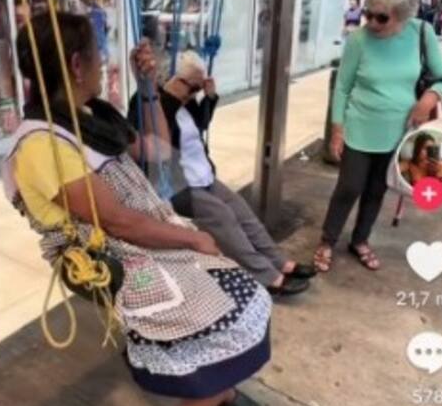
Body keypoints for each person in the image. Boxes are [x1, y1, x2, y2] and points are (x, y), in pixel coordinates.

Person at [2, 12, 271, 406]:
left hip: (143, 236)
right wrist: (192, 242)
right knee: (238, 306)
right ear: (78, 62)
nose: (106, 62)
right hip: (110, 257)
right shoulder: (42, 144)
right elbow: (120, 223)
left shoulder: (90, 115)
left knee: (232, 291)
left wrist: (150, 86)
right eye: (100, 53)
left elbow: (156, 148)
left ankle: (215, 383)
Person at [128, 51, 315, 297]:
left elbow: (201, 125)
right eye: (191, 87)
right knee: (224, 218)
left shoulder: (186, 101)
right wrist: (172, 98)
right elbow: (158, 144)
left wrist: (210, 96)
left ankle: (279, 261)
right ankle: (266, 276)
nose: (192, 93)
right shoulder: (149, 101)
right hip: (176, 186)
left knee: (242, 211)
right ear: (172, 80)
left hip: (202, 175)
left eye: (197, 88)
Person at [315, 0, 442, 272]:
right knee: (349, 186)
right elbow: (343, 87)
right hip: (361, 126)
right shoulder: (359, 40)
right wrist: (337, 130)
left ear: (402, 16)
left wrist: (428, 99)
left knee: (378, 189)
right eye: (368, 14)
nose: (372, 23)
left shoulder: (421, 33)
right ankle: (327, 239)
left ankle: (360, 239)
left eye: (381, 18)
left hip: (400, 131)